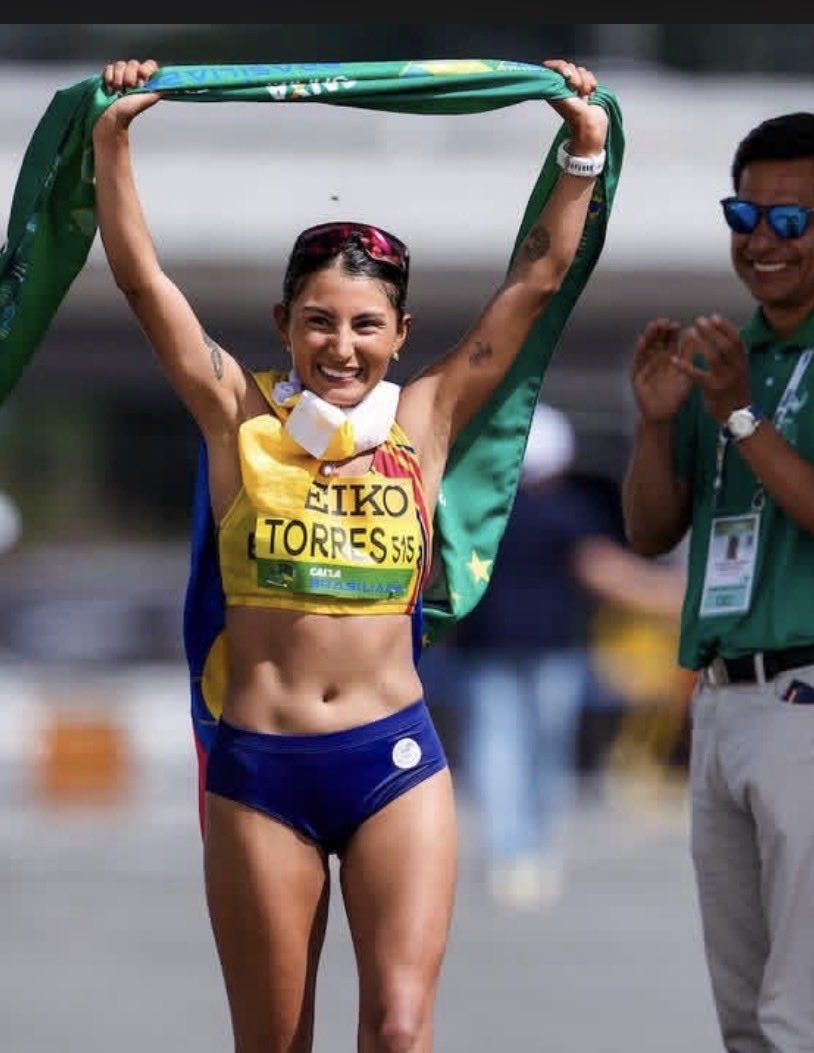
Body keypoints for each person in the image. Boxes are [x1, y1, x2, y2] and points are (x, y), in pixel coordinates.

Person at [94, 57, 608, 1053]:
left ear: (400, 333)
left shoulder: (426, 416)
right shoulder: (234, 414)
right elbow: (140, 281)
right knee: (275, 1043)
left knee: (403, 1028)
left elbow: (537, 279)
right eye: (318, 321)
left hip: (394, 760)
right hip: (262, 768)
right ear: (284, 324)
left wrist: (581, 152)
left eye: (366, 325)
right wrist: (113, 141)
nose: (340, 345)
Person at [620, 111, 814, 1052]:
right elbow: (648, 530)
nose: (761, 241)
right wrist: (654, 423)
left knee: (805, 1021)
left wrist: (741, 418)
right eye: (743, 215)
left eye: (791, 221)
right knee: (748, 1025)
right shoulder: (729, 353)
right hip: (722, 701)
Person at [451, 400, 683, 909]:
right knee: (543, 751)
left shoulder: (476, 509)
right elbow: (605, 573)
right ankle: (531, 849)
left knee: (496, 750)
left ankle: (507, 853)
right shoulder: (567, 510)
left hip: (485, 648)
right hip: (552, 651)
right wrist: (679, 598)